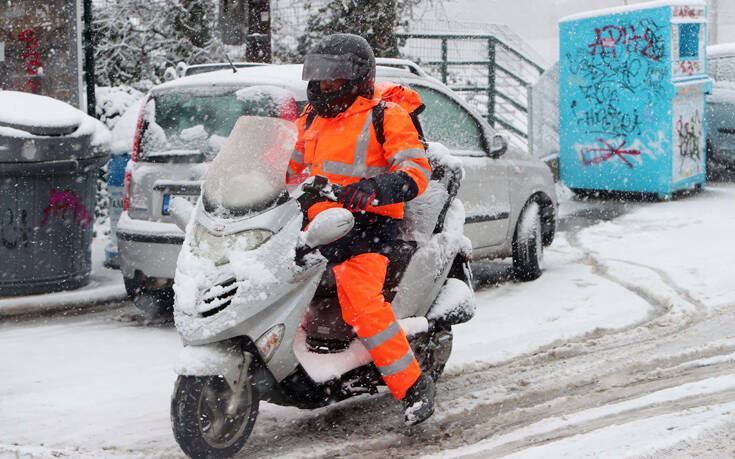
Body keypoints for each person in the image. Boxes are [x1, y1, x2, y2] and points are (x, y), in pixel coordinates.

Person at [286, 33, 435, 426]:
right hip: (314, 226)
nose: (323, 87)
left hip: (368, 229)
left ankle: (414, 386)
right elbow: (288, 166)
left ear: (359, 79)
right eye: (319, 79)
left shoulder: (387, 116)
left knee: (362, 304)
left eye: (333, 80)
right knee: (278, 287)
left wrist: (372, 188)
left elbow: (416, 173)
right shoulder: (312, 118)